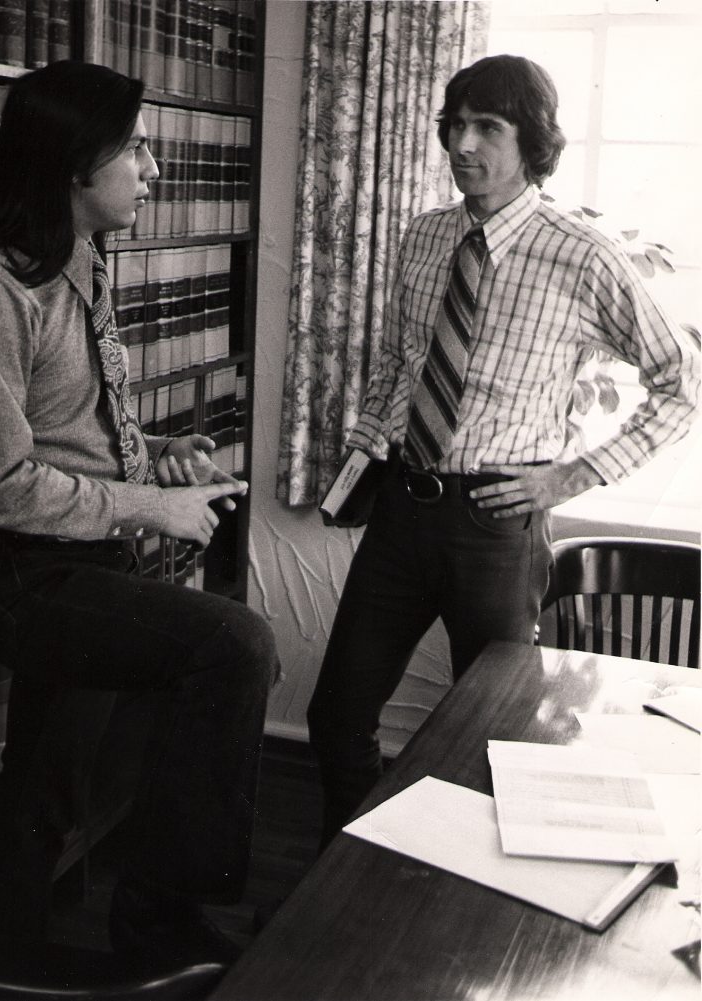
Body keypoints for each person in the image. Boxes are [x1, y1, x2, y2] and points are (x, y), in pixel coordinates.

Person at [0, 60, 278, 979]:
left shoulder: (81, 266)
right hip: (20, 575)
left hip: (83, 557)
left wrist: (157, 454)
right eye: (136, 148)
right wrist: (154, 504)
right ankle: (159, 925)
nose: (154, 169)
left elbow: (70, 435)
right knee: (236, 645)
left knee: (46, 778)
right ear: (75, 162)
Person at [307, 54, 699, 849]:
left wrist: (572, 475)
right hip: (401, 513)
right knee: (337, 713)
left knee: (496, 735)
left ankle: (464, 895)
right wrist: (364, 451)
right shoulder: (425, 236)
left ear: (533, 142)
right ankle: (350, 873)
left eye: (487, 127)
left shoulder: (583, 254)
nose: (463, 145)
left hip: (494, 527)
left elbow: (681, 381)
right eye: (455, 125)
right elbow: (401, 362)